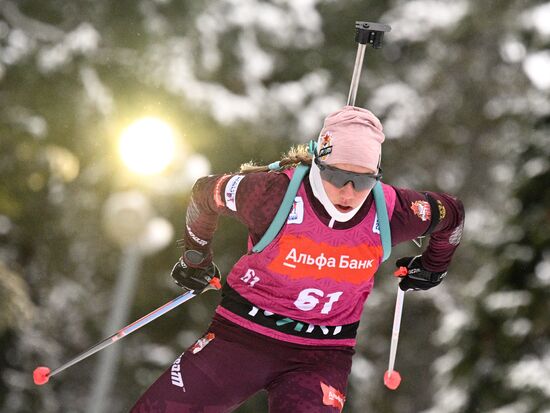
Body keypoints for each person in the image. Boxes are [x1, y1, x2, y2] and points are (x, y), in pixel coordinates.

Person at [130, 106, 464, 413]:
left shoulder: (395, 212)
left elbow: (453, 215)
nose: (348, 192)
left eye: (362, 180)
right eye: (336, 176)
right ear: (319, 162)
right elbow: (205, 193)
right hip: (241, 337)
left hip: (321, 355)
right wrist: (195, 257)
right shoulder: (270, 194)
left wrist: (434, 267)